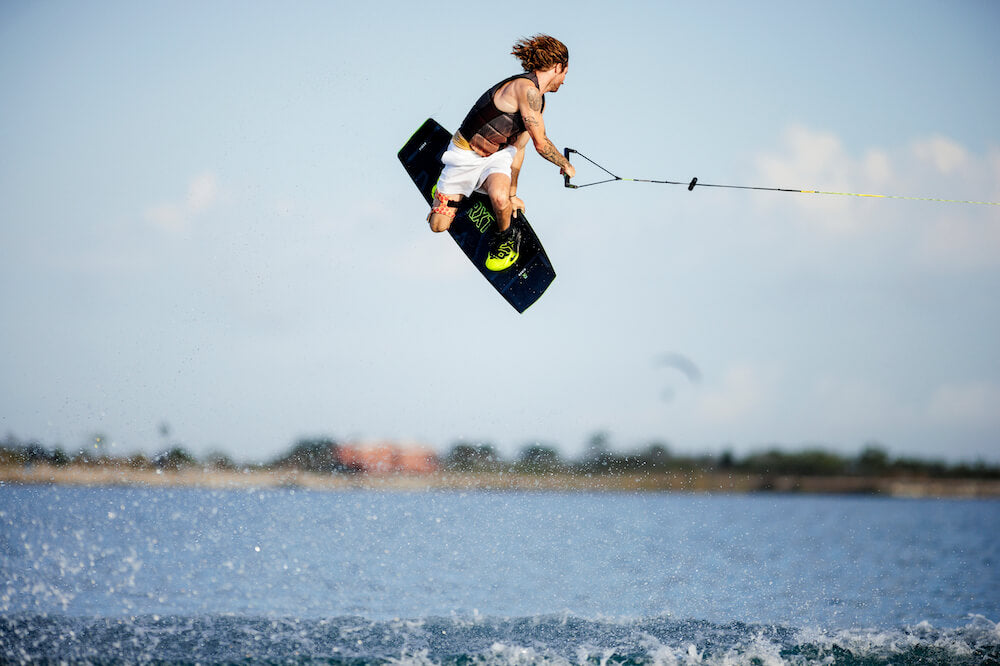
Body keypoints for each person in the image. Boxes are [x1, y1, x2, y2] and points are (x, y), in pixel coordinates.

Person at [428, 34, 576, 272]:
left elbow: (519, 148)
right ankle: (448, 191)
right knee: (438, 226)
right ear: (558, 67)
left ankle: (506, 237)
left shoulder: (540, 101)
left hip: (496, 157)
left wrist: (512, 194)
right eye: (566, 73)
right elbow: (541, 143)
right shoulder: (525, 89)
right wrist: (564, 164)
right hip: (464, 155)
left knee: (500, 198)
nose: (565, 80)